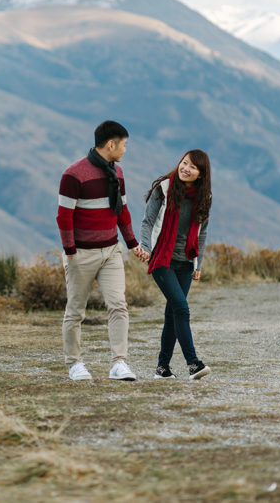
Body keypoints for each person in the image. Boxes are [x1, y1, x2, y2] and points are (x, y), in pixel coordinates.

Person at [57, 120, 150, 382]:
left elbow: (122, 212)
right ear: (111, 144)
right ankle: (75, 364)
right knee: (76, 310)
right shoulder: (73, 175)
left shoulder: (117, 173)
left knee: (118, 305)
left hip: (111, 251)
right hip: (81, 255)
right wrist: (70, 250)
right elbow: (64, 216)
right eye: (124, 145)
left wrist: (132, 245)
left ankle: (119, 363)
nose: (125, 150)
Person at [140, 149, 212, 380]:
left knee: (173, 312)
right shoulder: (163, 189)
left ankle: (162, 368)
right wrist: (145, 247)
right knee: (181, 308)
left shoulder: (204, 197)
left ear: (200, 174)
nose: (185, 168)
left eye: (192, 166)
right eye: (184, 163)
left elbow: (202, 233)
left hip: (185, 262)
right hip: (162, 258)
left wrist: (198, 263)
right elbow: (148, 221)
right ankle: (193, 363)